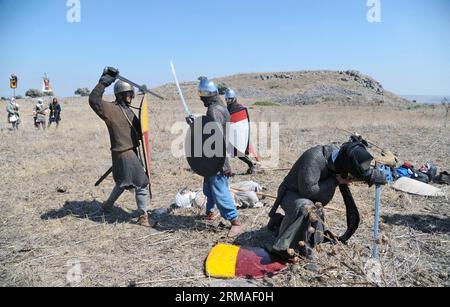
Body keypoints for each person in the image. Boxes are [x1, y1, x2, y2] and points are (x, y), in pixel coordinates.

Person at [268, 136, 387, 261]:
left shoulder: (343, 158)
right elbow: (308, 190)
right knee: (306, 207)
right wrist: (335, 180)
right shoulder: (314, 158)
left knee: (312, 212)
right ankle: (285, 247)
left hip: (311, 196)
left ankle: (282, 224)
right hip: (291, 193)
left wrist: (371, 176)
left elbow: (357, 168)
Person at [89, 67, 155, 228]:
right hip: (124, 153)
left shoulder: (130, 112)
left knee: (122, 181)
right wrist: (103, 83)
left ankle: (107, 205)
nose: (130, 97)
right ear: (120, 95)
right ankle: (143, 216)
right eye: (128, 94)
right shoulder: (110, 110)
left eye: (131, 94)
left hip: (128, 151)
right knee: (141, 182)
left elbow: (139, 133)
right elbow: (93, 100)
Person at [197, 77, 243, 238]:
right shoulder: (221, 107)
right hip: (213, 156)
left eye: (202, 96)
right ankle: (209, 212)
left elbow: (217, 139)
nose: (201, 99)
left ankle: (235, 221)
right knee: (208, 188)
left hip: (217, 158)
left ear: (207, 96)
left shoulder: (213, 110)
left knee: (219, 190)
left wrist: (222, 165)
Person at [224, 88, 256, 175]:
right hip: (229, 135)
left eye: (229, 99)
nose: (228, 101)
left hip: (238, 135)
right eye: (226, 99)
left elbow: (243, 124)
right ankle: (225, 170)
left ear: (234, 98)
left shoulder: (240, 109)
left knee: (239, 153)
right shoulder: (227, 109)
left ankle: (251, 165)